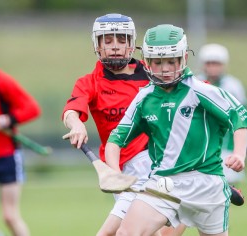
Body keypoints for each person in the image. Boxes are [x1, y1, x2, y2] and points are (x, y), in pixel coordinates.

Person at [105, 24, 247, 236]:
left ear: (183, 58)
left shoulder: (202, 90)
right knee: (126, 233)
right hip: (164, 183)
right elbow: (116, 140)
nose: (164, 69)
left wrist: (239, 154)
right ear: (147, 61)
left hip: (207, 183)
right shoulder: (144, 98)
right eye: (157, 62)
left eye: (171, 61)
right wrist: (114, 172)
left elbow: (239, 118)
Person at [62, 13, 184, 236]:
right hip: (118, 169)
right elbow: (71, 110)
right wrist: (76, 124)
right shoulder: (90, 82)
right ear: (97, 45)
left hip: (154, 161)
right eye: (108, 41)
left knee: (114, 232)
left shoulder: (153, 73)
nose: (115, 47)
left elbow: (194, 91)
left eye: (122, 40)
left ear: (132, 43)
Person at [197, 44, 247, 192]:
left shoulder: (233, 86)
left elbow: (242, 115)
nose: (213, 68)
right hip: (202, 149)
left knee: (229, 191)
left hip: (228, 148)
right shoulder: (195, 83)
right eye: (209, 63)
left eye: (217, 64)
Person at [0, 69, 41, 236]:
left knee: (10, 216)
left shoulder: (2, 80)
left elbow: (32, 108)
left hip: (7, 156)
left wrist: (7, 120)